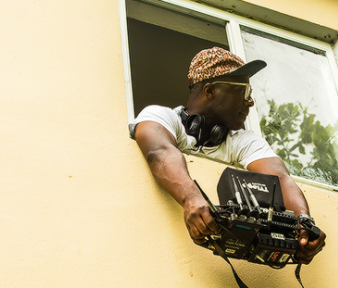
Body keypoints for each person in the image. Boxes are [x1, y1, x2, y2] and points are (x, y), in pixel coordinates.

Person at [130, 47, 326, 264]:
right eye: (243, 91)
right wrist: (191, 198)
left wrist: (303, 223)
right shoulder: (160, 115)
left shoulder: (243, 140)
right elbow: (160, 152)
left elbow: (279, 178)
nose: (250, 101)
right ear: (210, 90)